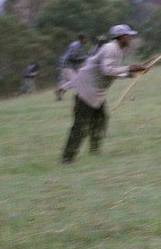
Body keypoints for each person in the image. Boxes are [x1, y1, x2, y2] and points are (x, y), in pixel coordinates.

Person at [60, 24, 146, 163]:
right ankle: (67, 158)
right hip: (86, 90)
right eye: (128, 36)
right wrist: (130, 68)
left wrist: (131, 73)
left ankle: (94, 151)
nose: (131, 38)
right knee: (80, 125)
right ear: (122, 37)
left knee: (101, 119)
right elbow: (107, 70)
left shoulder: (117, 50)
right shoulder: (110, 49)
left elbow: (112, 71)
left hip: (96, 92)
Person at [55, 33, 88, 100]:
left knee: (66, 81)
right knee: (75, 81)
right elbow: (73, 57)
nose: (86, 40)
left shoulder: (77, 45)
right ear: (82, 39)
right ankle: (60, 90)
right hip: (67, 65)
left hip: (64, 64)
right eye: (85, 39)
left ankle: (59, 95)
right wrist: (83, 58)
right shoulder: (76, 46)